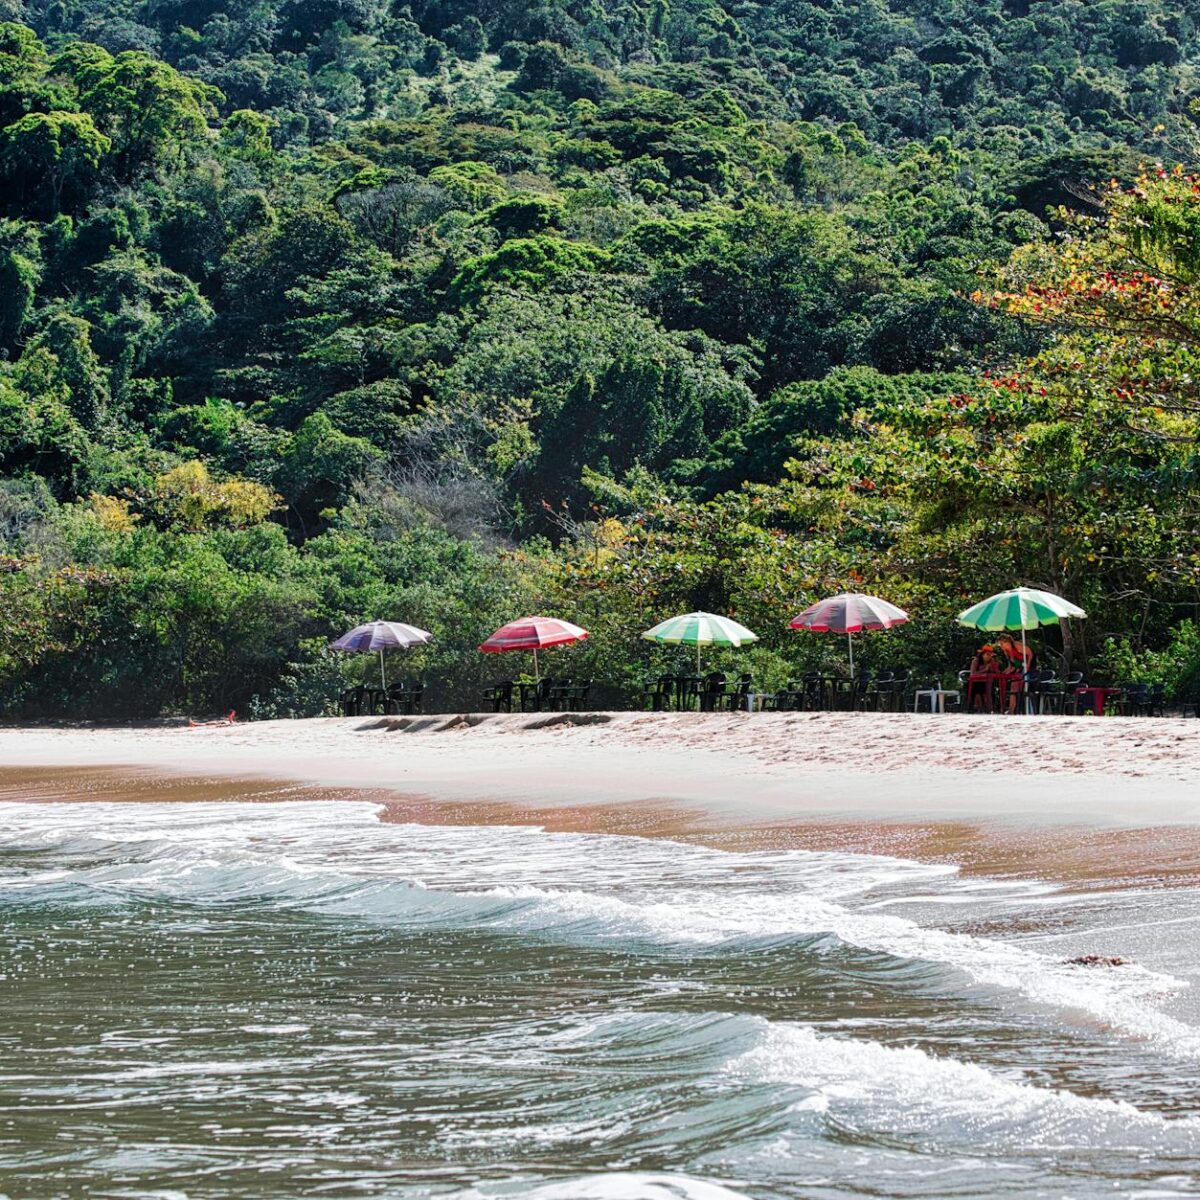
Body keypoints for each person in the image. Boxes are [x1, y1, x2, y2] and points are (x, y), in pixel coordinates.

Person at [997, 634, 1036, 713]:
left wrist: (1027, 667)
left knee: (1016, 684)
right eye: (999, 644)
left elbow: (1030, 653)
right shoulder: (1006, 651)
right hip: (1019, 667)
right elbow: (1011, 665)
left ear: (1007, 642)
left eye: (1001, 643)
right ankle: (1011, 709)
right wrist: (1003, 673)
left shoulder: (1016, 645)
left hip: (1029, 666)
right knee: (1013, 685)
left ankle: (1016, 709)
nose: (1001, 646)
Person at [967, 645, 1000, 711]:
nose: (989, 656)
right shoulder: (976, 661)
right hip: (975, 682)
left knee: (991, 689)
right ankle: (978, 707)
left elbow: (997, 672)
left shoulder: (992, 661)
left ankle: (990, 708)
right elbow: (972, 674)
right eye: (987, 654)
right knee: (978, 691)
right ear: (982, 654)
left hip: (988, 682)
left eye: (991, 655)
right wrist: (984, 670)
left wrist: (994, 667)